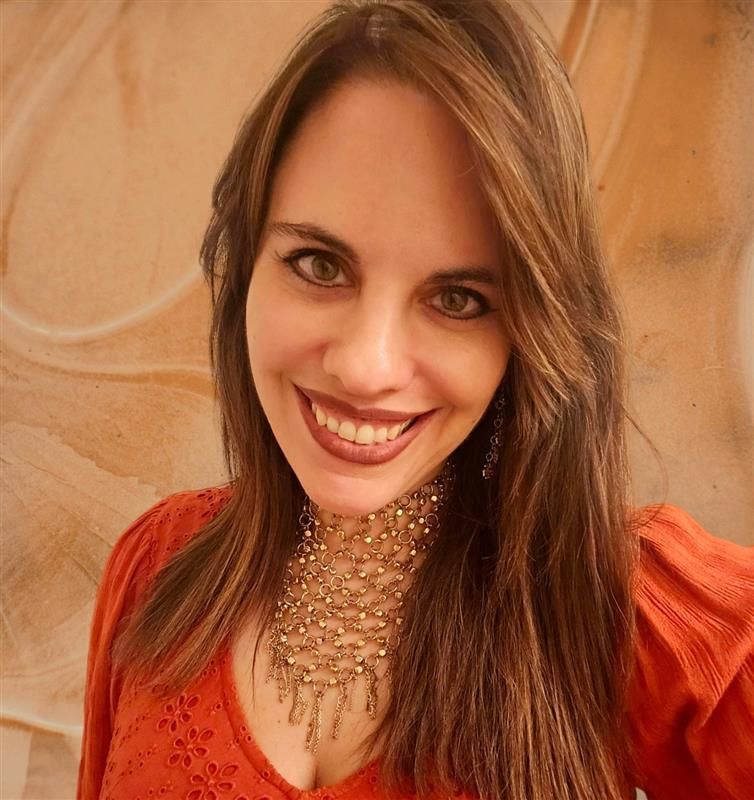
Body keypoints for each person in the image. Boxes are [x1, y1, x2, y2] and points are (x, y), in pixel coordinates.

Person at [76, 1, 754, 799]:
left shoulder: (622, 608)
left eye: (459, 299)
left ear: (529, 331)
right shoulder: (156, 568)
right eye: (320, 264)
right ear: (247, 257)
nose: (366, 367)